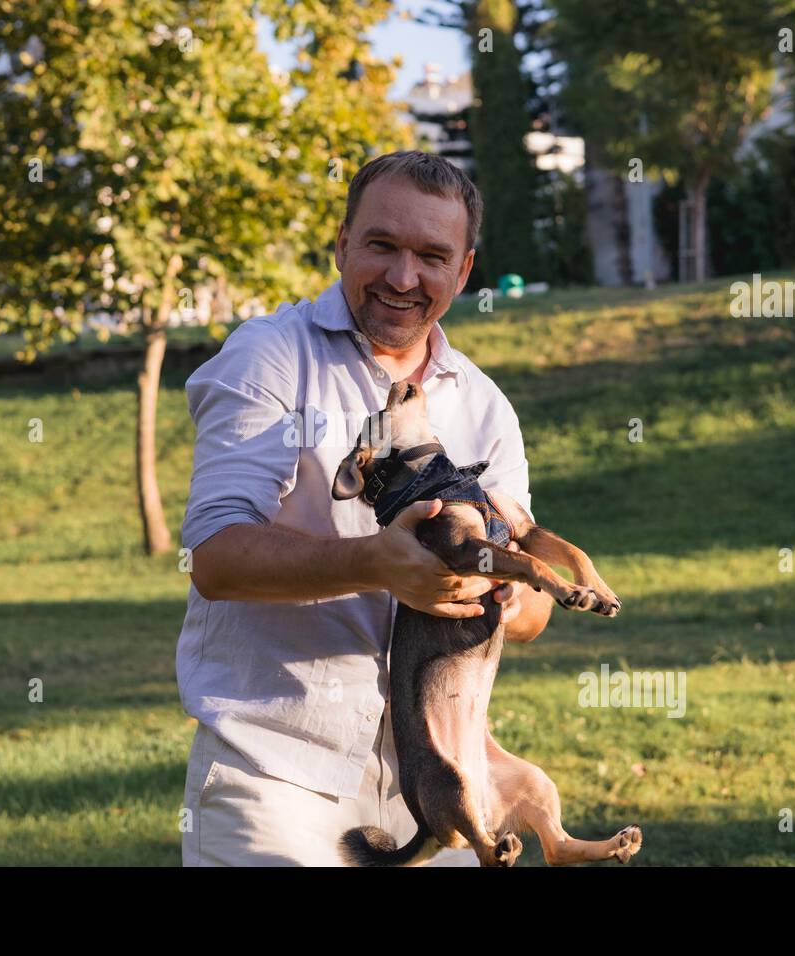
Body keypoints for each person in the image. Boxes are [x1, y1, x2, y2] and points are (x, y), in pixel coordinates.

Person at [176, 150, 555, 866]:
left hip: (442, 783)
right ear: (343, 242)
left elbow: (530, 616)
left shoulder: (483, 405)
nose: (403, 278)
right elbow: (214, 557)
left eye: (431, 256)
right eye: (382, 245)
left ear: (464, 271)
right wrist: (377, 564)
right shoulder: (270, 359)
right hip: (277, 780)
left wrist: (508, 589)